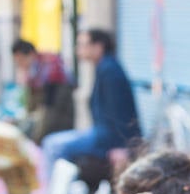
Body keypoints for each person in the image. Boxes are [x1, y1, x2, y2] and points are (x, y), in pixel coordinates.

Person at [40, 28, 141, 180]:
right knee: (52, 143)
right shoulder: (104, 67)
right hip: (101, 133)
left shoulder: (110, 70)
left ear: (98, 46)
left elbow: (120, 112)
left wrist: (121, 147)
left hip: (108, 137)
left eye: (83, 45)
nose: (78, 50)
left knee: (53, 145)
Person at [10, 38, 74, 142]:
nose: (20, 66)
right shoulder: (36, 72)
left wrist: (36, 140)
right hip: (49, 118)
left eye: (20, 61)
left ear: (30, 54)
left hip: (59, 122)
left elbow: (49, 110)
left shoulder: (51, 70)